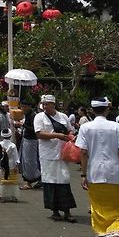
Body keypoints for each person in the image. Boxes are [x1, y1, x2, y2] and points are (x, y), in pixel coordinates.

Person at [76, 98, 119, 237]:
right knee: (118, 210)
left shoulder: (85, 127)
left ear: (92, 110)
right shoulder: (116, 127)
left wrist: (83, 174)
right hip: (114, 174)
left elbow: (83, 153)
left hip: (94, 174)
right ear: (107, 109)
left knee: (97, 211)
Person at [34, 94, 77, 223]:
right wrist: (57, 135)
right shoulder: (39, 117)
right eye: (44, 104)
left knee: (64, 180)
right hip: (47, 155)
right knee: (50, 181)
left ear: (54, 104)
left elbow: (71, 130)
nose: (45, 106)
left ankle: (67, 211)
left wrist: (70, 136)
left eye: (48, 104)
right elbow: (39, 134)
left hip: (62, 154)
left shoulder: (63, 117)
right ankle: (55, 211)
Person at [19, 101, 41, 190]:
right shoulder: (28, 115)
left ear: (29, 106)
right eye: (22, 107)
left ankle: (31, 181)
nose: (23, 108)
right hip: (27, 139)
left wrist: (22, 125)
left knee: (29, 161)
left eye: (24, 106)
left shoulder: (33, 116)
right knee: (25, 160)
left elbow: (34, 129)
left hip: (31, 140)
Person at [0, 128, 20, 202]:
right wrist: (17, 165)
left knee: (3, 181)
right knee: (12, 181)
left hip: (2, 164)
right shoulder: (13, 145)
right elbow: (16, 156)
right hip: (11, 164)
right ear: (10, 136)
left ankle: (2, 196)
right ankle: (13, 196)